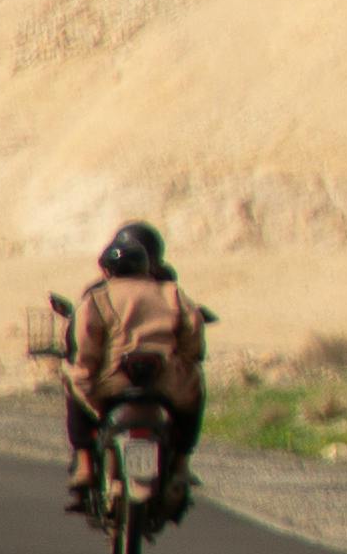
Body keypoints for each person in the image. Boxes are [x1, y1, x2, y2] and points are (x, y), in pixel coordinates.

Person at [38, 222, 217, 521]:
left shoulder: (98, 296)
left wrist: (85, 375)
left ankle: (84, 462)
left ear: (108, 268)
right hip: (165, 383)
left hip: (114, 382)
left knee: (74, 382)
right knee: (196, 386)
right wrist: (184, 363)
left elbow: (85, 349)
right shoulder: (172, 291)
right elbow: (193, 341)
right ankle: (182, 463)